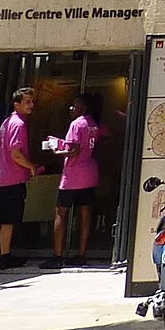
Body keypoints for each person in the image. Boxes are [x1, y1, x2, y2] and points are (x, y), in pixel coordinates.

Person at [42, 91, 104, 269]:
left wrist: (56, 151)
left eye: (74, 105)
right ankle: (81, 254)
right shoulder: (93, 124)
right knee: (85, 215)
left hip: (73, 176)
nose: (71, 108)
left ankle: (57, 255)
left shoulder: (76, 124)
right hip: (89, 174)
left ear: (83, 107)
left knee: (61, 213)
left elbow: (74, 150)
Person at [0, 87, 39, 271]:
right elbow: (16, 153)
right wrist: (31, 166)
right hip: (13, 179)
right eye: (27, 102)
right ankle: (5, 256)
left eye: (32, 102)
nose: (31, 105)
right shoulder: (18, 124)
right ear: (16, 104)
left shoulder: (6, 123)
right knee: (8, 220)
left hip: (1, 177)